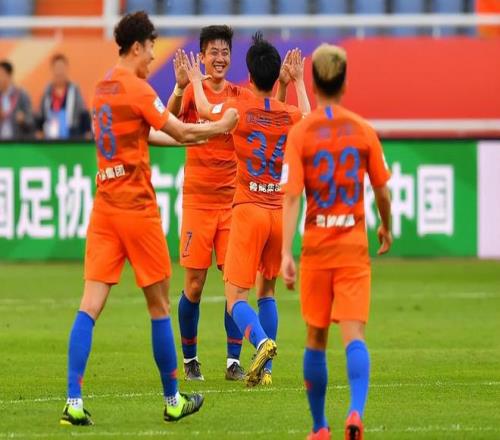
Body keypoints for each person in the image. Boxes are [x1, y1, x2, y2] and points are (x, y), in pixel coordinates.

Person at [59, 11, 239, 426]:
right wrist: (220, 127)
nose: (154, 56)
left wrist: (190, 138)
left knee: (89, 306)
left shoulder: (101, 88)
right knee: (159, 306)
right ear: (137, 46)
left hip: (104, 208)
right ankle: (173, 399)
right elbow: (180, 130)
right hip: (137, 210)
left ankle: (73, 401)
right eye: (151, 48)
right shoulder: (137, 89)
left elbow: (149, 134)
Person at [183, 32, 310, 387]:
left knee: (235, 297)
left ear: (249, 77)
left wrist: (194, 80)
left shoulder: (239, 110)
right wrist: (298, 82)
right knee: (266, 292)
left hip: (248, 209)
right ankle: (266, 373)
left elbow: (205, 111)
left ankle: (261, 342)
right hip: (277, 212)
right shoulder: (290, 115)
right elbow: (310, 119)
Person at [280, 43, 392, 440]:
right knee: (354, 336)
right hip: (352, 246)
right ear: (344, 84)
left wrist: (285, 252)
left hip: (316, 247)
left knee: (315, 337)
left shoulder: (300, 133)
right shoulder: (363, 130)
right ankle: (355, 412)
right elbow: (381, 190)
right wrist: (386, 226)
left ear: (312, 83)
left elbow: (292, 196)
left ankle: (319, 427)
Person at [165, 25, 246, 382]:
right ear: (201, 57)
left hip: (232, 203)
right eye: (213, 52)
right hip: (197, 201)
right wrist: (179, 86)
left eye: (225, 52)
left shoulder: (237, 96)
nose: (220, 58)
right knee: (194, 285)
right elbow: (166, 121)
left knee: (235, 284)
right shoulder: (188, 94)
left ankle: (233, 361)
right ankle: (190, 359)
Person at [37, 53, 91, 140]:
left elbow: (83, 113)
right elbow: (41, 116)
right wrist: (39, 131)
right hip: (50, 138)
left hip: (72, 137)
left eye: (61, 68)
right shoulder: (46, 92)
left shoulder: (75, 90)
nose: (59, 71)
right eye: (57, 68)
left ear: (66, 69)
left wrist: (87, 131)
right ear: (52, 69)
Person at [0, 60, 35, 139]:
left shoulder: (21, 95)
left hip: (17, 142)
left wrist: (23, 120)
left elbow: (31, 121)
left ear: (9, 76)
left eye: (1, 75)